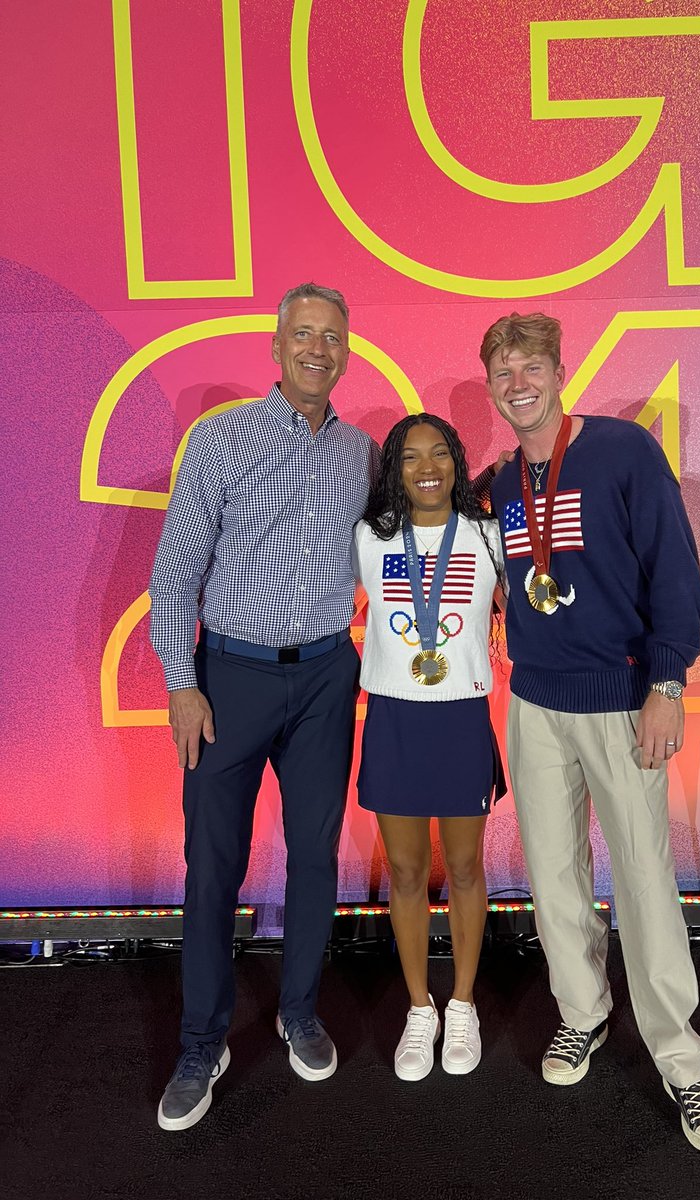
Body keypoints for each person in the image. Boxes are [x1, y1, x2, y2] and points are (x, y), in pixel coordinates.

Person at [481, 311, 700, 1153]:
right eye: (503, 372)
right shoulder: (501, 483)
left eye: (531, 367)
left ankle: (681, 1059)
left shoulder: (624, 451)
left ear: (560, 372)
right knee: (553, 876)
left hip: (622, 699)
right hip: (534, 704)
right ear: (491, 388)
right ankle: (582, 1013)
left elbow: (675, 571)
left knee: (643, 879)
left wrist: (667, 682)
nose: (518, 383)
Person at [149, 283, 378, 1131]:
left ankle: (299, 1012)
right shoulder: (221, 440)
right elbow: (174, 575)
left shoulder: (362, 454)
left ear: (345, 353)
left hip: (325, 677)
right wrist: (182, 684)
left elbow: (413, 532)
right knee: (213, 866)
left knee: (314, 856)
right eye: (304, 334)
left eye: (333, 337)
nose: (319, 348)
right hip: (229, 679)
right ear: (277, 347)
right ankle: (201, 1044)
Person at [352, 414, 506, 1081]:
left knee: (466, 868)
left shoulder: (487, 535)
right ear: (395, 468)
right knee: (407, 872)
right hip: (393, 715)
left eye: (438, 453)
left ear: (456, 462)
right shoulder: (369, 536)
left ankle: (463, 1004)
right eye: (410, 456)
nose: (426, 468)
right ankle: (421, 1009)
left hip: (462, 715)